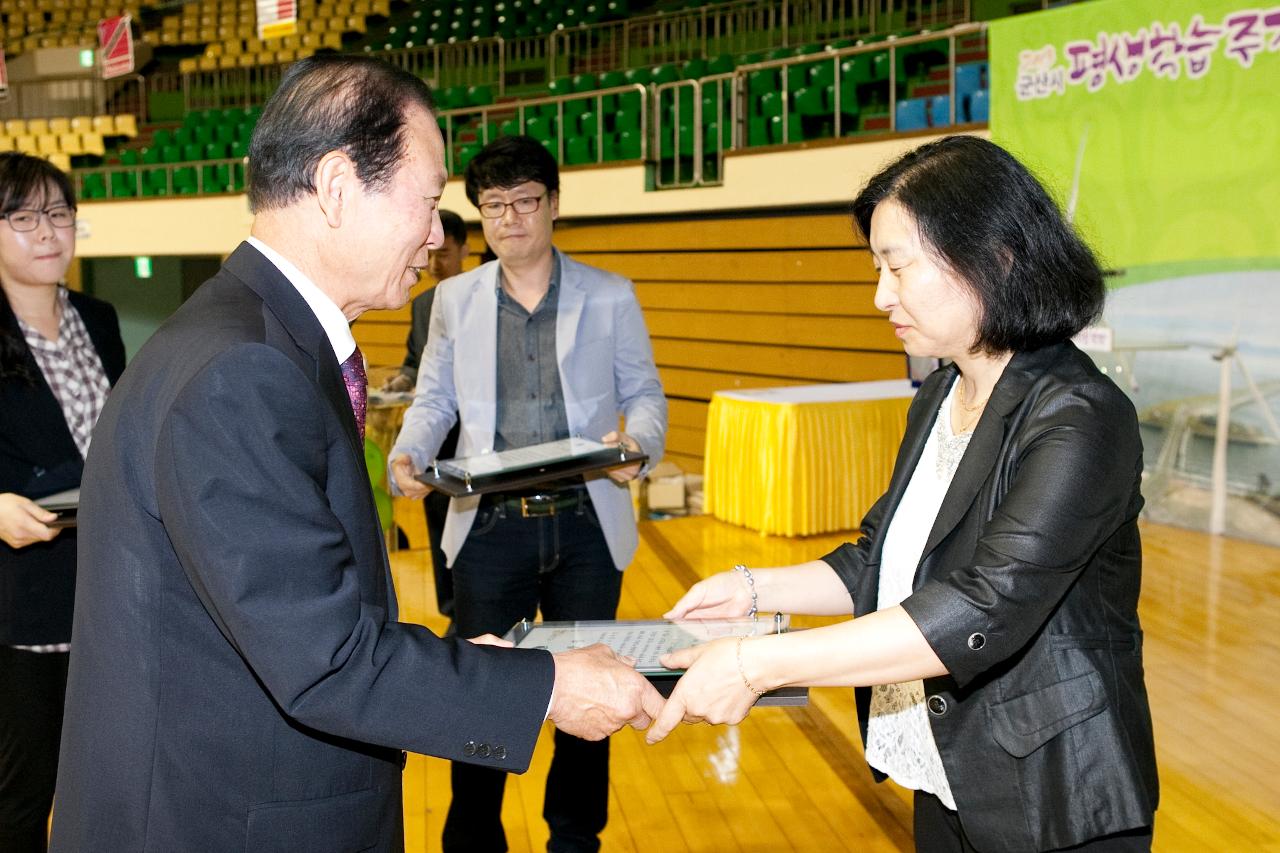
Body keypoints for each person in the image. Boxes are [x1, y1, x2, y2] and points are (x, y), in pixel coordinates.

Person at [51, 56, 662, 853]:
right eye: (429, 200)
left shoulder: (252, 339)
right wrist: (543, 684)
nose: (440, 234)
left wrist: (453, 662)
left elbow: (293, 615)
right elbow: (325, 657)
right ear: (338, 185)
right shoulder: (243, 370)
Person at [648, 136, 1158, 853]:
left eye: (897, 266)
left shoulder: (1081, 415)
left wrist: (755, 662)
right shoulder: (943, 391)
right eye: (876, 267)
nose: (881, 295)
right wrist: (752, 588)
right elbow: (878, 558)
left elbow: (984, 606)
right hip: (950, 771)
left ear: (996, 256)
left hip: (1054, 793)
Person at [390, 134, 668, 853]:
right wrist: (410, 449)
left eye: (524, 201)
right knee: (482, 692)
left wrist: (639, 446)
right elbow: (435, 400)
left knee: (595, 698)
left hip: (585, 527)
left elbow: (645, 397)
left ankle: (575, 839)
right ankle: (474, 839)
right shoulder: (453, 299)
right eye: (493, 205)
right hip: (490, 532)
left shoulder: (611, 295)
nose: (509, 218)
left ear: (552, 204)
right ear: (479, 213)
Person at [0, 153, 124, 853]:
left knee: (108, 777)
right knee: (24, 794)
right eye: (22, 216)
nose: (47, 231)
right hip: (26, 603)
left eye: (57, 212)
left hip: (110, 589)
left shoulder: (97, 318)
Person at [383, 208, 467, 629]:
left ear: (465, 252)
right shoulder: (422, 305)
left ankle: (477, 605)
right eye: (431, 254)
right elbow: (417, 361)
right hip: (436, 439)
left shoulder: (481, 297)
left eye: (445, 254)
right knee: (437, 525)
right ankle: (452, 610)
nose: (436, 263)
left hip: (474, 438)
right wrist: (403, 377)